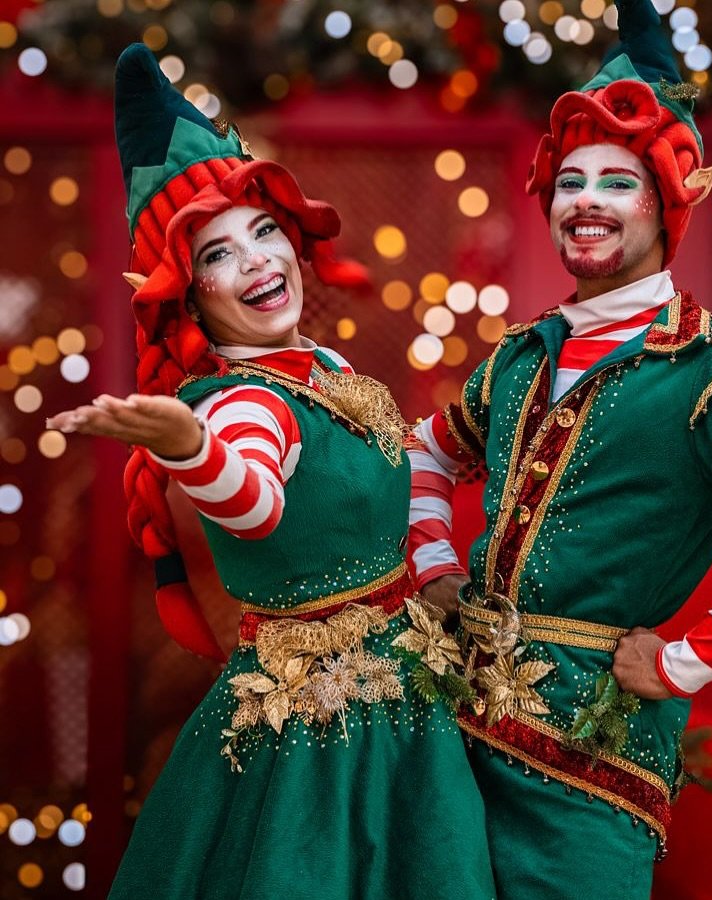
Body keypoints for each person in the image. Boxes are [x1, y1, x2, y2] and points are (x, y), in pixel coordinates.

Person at [406, 2, 712, 898]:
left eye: (618, 182)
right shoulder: (516, 357)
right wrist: (431, 565)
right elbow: (424, 456)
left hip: (590, 767)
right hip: (449, 745)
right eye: (570, 181)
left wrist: (685, 660)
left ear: (667, 202)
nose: (585, 200)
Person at [48, 44, 495, 899]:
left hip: (398, 701)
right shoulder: (237, 402)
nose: (256, 260)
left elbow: (394, 463)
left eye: (263, 231)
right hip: (320, 740)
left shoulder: (321, 365)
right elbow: (254, 501)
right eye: (218, 253)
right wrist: (190, 448)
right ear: (188, 291)